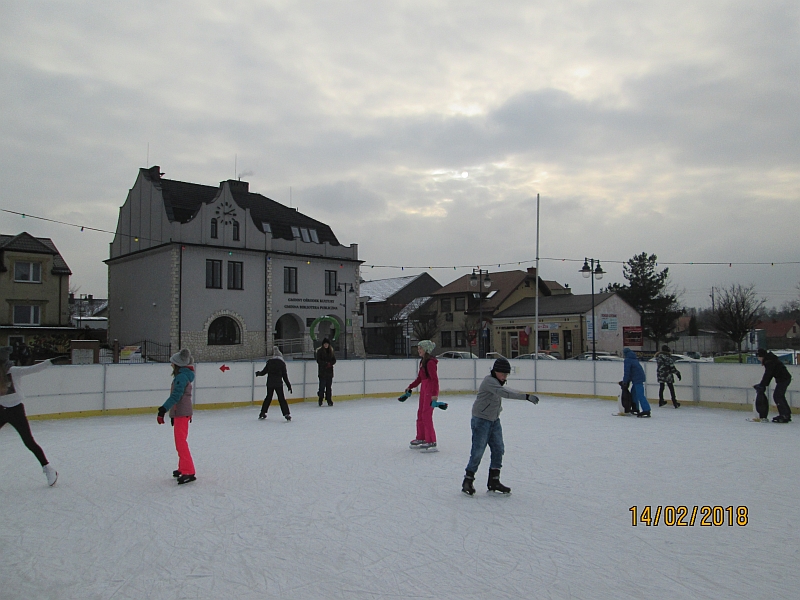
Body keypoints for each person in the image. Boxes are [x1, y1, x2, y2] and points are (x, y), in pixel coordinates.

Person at [462, 357, 539, 496]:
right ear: (495, 371)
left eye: (506, 375)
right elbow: (505, 393)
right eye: (502, 374)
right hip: (481, 420)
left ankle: (494, 480)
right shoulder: (489, 381)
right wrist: (525, 396)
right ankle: (468, 480)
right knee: (478, 451)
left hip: (494, 420)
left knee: (498, 449)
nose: (504, 377)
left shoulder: (497, 381)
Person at [0, 347, 58, 486]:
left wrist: (50, 362)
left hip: (16, 410)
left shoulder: (14, 371)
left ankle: (48, 468)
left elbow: (33, 369)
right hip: (0, 410)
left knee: (28, 441)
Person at [157, 349, 196, 484]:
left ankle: (189, 471)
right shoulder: (183, 376)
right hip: (181, 412)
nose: (171, 365)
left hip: (182, 412)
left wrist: (163, 409)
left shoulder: (181, 377)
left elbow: (176, 396)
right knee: (180, 441)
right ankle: (183, 467)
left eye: (173, 363)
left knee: (181, 443)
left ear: (178, 365)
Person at [404, 340, 445, 452]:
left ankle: (431, 440)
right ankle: (421, 437)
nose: (418, 351)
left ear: (426, 349)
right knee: (420, 413)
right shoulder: (422, 361)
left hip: (429, 390)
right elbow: (420, 378)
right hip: (424, 390)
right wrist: (410, 387)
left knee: (426, 414)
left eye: (420, 348)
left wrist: (434, 394)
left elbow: (435, 380)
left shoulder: (430, 363)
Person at [755, 348, 792, 423]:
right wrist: (763, 385)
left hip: (784, 379)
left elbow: (768, 374)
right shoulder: (770, 360)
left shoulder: (769, 362)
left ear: (762, 356)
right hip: (784, 378)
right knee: (779, 396)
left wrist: (762, 385)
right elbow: (769, 374)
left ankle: (784, 414)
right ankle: (786, 414)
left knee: (777, 396)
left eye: (758, 357)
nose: (758, 359)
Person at [256, 346, 293, 421]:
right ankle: (286, 414)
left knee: (268, 397)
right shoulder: (282, 364)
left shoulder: (269, 362)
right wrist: (289, 386)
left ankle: (262, 412)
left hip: (270, 383)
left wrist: (258, 373)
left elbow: (264, 372)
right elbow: (285, 376)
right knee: (281, 398)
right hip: (278, 384)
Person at [622, 347, 650, 418]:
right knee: (634, 393)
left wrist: (625, 381)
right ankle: (635, 408)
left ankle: (646, 409)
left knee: (640, 395)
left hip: (637, 379)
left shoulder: (628, 360)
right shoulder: (634, 359)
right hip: (638, 378)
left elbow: (627, 372)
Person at [315, 338, 336, 406]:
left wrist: (330, 364)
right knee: (322, 386)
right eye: (325, 344)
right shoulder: (320, 351)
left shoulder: (331, 351)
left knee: (329, 387)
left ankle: (329, 399)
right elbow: (318, 360)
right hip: (322, 372)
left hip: (329, 372)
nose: (326, 345)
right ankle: (320, 399)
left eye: (327, 344)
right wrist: (325, 364)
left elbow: (334, 360)